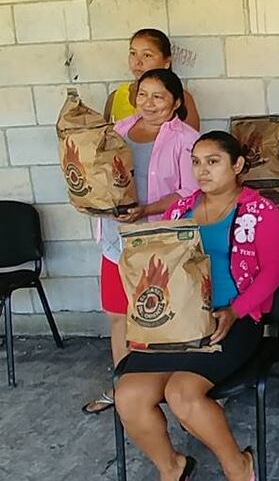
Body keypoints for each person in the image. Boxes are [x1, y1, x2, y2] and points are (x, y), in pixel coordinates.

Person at [113, 130, 279, 481]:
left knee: (182, 394)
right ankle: (171, 466)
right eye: (196, 162)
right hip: (175, 324)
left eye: (213, 161)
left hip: (233, 320)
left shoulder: (260, 212)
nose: (202, 171)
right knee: (128, 396)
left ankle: (237, 463)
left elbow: (273, 273)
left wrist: (236, 310)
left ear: (237, 165)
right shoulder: (180, 211)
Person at [83, 68, 201, 415]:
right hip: (117, 240)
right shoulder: (117, 131)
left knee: (164, 317)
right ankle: (124, 387)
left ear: (176, 101)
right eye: (143, 94)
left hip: (158, 243)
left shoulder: (186, 139)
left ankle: (176, 392)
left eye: (158, 96)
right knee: (118, 315)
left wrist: (147, 209)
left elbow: (190, 190)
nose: (148, 103)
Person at [103, 28, 201, 129]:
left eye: (147, 55)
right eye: (133, 53)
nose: (138, 62)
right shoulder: (116, 96)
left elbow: (191, 141)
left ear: (167, 62)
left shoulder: (180, 97)